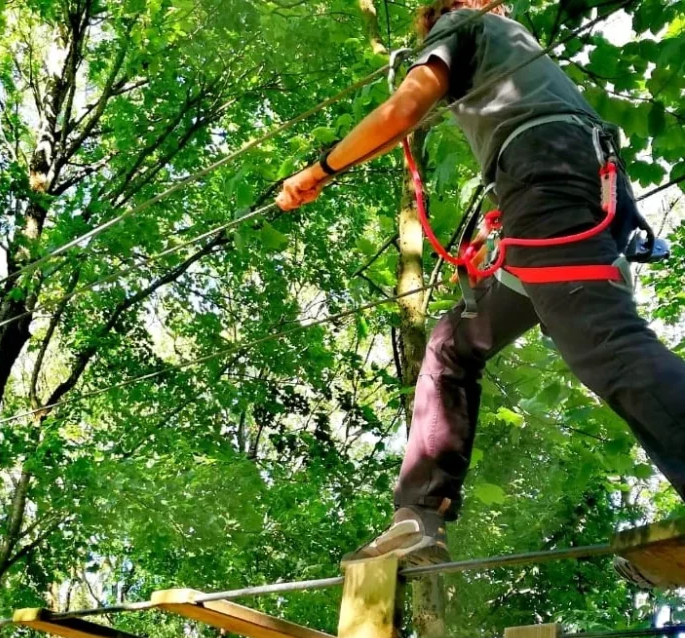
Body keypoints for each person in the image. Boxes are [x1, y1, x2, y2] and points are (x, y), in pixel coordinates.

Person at [276, 0, 685, 584]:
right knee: (453, 344)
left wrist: (317, 171)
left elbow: (405, 108)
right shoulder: (510, 47)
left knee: (605, 345)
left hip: (546, 176)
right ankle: (419, 516)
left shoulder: (465, 24)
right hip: (567, 187)